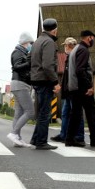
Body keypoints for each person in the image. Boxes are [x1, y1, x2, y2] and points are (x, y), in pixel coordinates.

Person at [65, 30, 95, 147]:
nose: (93, 40)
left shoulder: (76, 49)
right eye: (92, 38)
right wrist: (89, 86)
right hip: (82, 88)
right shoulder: (83, 50)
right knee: (92, 113)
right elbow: (80, 70)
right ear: (89, 38)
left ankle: (69, 139)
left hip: (74, 87)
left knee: (75, 114)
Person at [30, 18, 60, 150]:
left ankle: (35, 139)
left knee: (42, 111)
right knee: (45, 113)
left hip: (36, 79)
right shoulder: (49, 42)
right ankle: (41, 142)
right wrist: (55, 82)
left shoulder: (38, 41)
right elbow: (48, 65)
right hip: (44, 80)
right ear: (54, 30)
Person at [51, 37, 84, 143]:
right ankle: (63, 134)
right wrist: (61, 85)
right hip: (67, 91)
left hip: (73, 90)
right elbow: (66, 75)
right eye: (65, 45)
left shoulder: (76, 57)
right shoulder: (68, 58)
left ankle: (79, 136)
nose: (65, 47)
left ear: (71, 46)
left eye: (66, 45)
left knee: (76, 113)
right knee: (65, 113)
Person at [7, 32, 35, 147]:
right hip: (20, 84)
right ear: (26, 42)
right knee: (30, 111)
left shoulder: (22, 52)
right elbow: (17, 67)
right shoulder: (18, 52)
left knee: (18, 113)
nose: (31, 45)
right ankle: (14, 134)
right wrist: (30, 63)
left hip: (19, 84)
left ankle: (17, 139)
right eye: (31, 43)